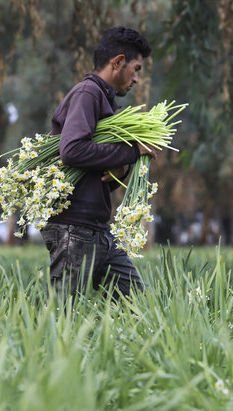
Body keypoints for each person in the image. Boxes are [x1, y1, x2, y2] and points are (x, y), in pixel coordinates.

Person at [41, 26, 157, 300]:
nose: (137, 79)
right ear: (118, 62)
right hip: (74, 227)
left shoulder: (106, 101)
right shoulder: (87, 94)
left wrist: (122, 166)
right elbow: (72, 150)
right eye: (136, 68)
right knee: (63, 315)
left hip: (99, 229)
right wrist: (131, 151)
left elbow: (101, 161)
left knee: (139, 304)